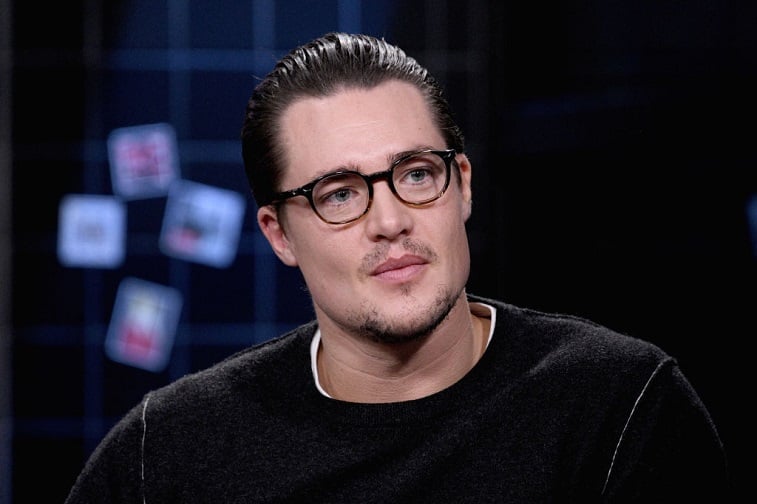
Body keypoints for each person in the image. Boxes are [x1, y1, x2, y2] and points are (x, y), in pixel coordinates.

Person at [65, 32, 731, 503]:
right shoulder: (168, 454)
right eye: (339, 194)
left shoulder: (619, 407)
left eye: (415, 174)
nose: (389, 220)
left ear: (462, 185)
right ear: (279, 234)